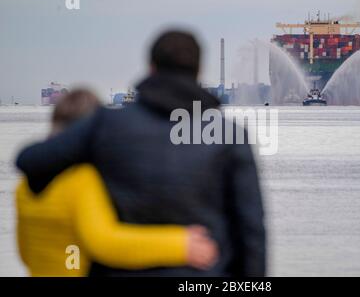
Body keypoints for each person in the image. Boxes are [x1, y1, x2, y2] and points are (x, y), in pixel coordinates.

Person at [16, 30, 266, 276]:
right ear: (199, 70)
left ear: (151, 68)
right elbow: (251, 232)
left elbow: (30, 161)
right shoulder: (230, 136)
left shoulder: (105, 124)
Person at [16, 89, 218, 276]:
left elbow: (24, 252)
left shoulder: (24, 186)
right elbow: (104, 242)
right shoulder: (81, 180)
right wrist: (179, 244)